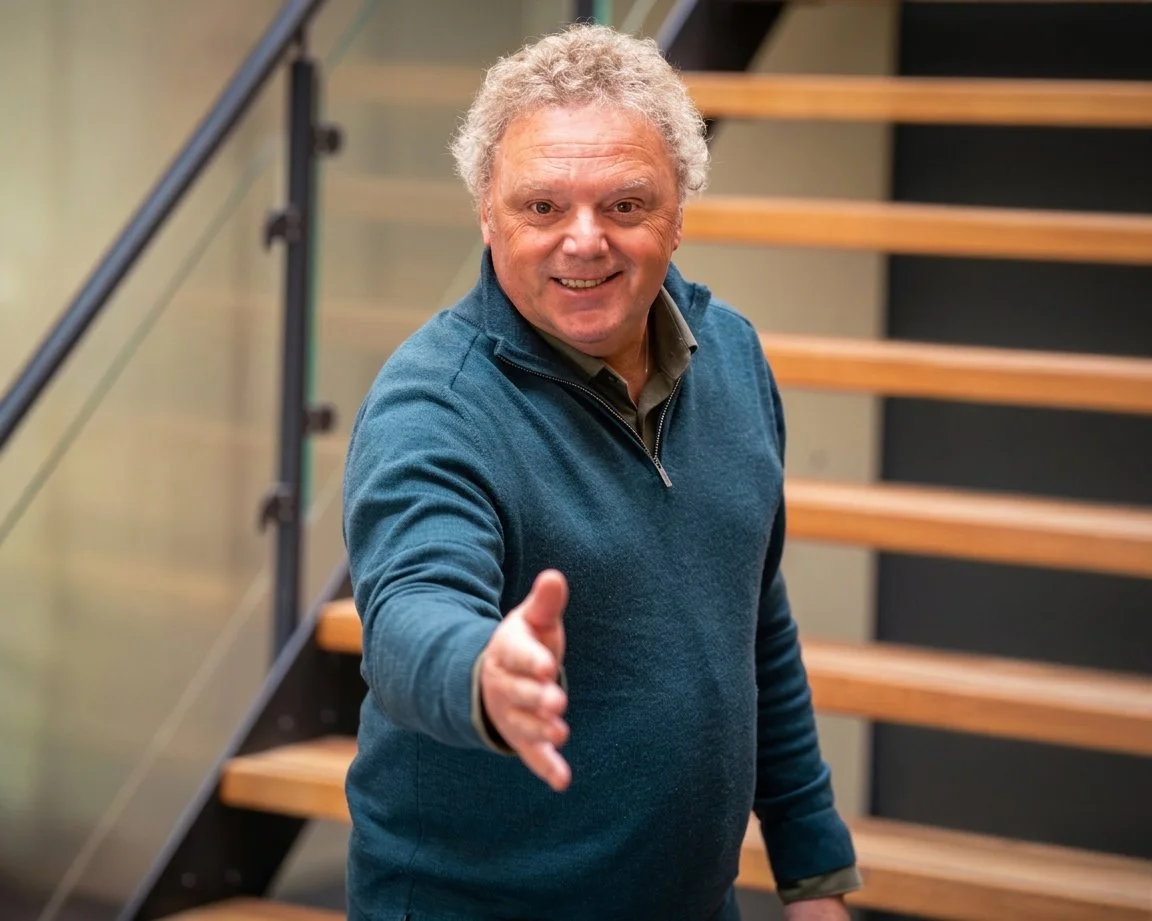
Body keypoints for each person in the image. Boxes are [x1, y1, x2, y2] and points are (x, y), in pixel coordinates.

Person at [342, 23, 861, 921]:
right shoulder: (432, 405)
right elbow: (407, 613)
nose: (584, 242)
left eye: (625, 205)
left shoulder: (731, 353)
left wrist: (812, 870)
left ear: (679, 208)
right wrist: (483, 672)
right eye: (541, 207)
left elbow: (757, 621)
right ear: (486, 212)